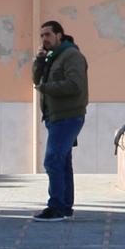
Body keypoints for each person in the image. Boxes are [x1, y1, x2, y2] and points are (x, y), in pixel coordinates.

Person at [31, 19, 88, 220]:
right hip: (55, 117)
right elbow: (36, 80)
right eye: (42, 35)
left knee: (52, 160)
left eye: (47, 34)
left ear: (59, 35)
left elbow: (74, 85)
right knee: (62, 162)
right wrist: (39, 61)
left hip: (68, 116)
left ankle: (56, 206)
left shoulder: (71, 56)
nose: (44, 39)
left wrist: (47, 88)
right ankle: (64, 208)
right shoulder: (52, 57)